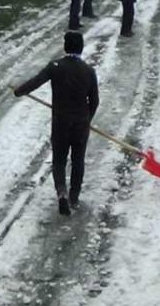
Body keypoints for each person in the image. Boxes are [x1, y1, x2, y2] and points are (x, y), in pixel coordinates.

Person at [13, 32, 99, 214]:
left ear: (65, 47)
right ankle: (74, 197)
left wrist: (19, 91)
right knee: (78, 160)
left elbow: (36, 82)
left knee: (59, 160)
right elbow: (95, 101)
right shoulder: (89, 71)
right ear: (81, 48)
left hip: (61, 121)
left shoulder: (56, 66)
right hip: (81, 123)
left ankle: (62, 192)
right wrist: (87, 120)